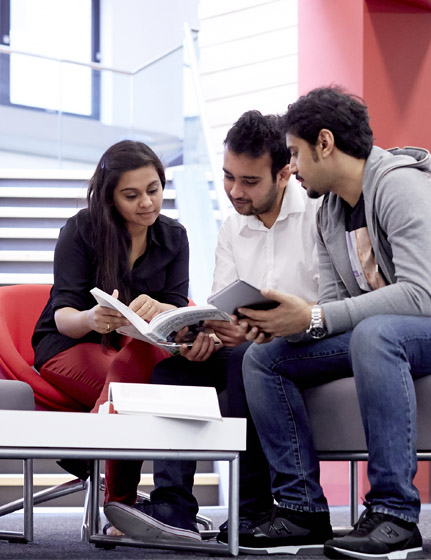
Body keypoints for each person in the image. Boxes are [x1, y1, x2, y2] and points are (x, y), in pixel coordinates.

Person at [235, 87, 431, 557]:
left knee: (378, 333)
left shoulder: (401, 184)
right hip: (390, 334)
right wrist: (290, 325)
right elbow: (338, 310)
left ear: (324, 142)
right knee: (263, 359)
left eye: (295, 153)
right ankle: (301, 510)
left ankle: (394, 514)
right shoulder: (329, 214)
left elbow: (419, 296)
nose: (292, 167)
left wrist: (314, 315)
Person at [101, 110, 320, 542]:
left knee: (247, 360)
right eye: (228, 177)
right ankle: (174, 506)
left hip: (301, 345)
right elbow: (223, 307)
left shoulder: (317, 215)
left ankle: (251, 508)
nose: (235, 192)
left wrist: (265, 330)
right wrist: (205, 336)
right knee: (171, 372)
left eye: (250, 182)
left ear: (285, 173)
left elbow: (333, 304)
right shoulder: (232, 228)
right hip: (241, 348)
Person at [31, 140, 189, 524]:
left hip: (132, 351)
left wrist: (161, 308)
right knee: (132, 391)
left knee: (138, 365)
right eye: (131, 195)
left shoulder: (173, 236)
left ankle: (89, 457)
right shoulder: (81, 230)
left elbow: (179, 306)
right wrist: (90, 319)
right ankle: (121, 503)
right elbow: (64, 314)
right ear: (109, 198)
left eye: (154, 190)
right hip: (69, 343)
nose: (148, 203)